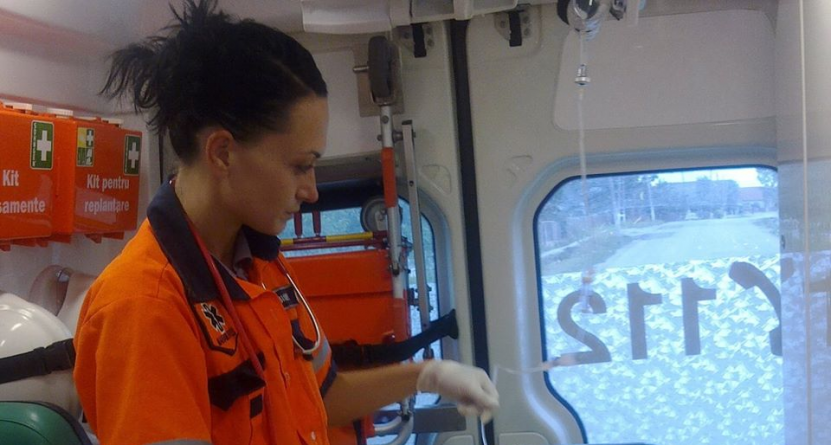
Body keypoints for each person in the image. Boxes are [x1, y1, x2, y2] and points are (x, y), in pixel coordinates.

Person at [72, 1, 499, 444]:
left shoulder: (260, 267)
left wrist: (428, 375)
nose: (311, 191)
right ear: (222, 153)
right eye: (300, 166)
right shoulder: (145, 307)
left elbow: (323, 395)